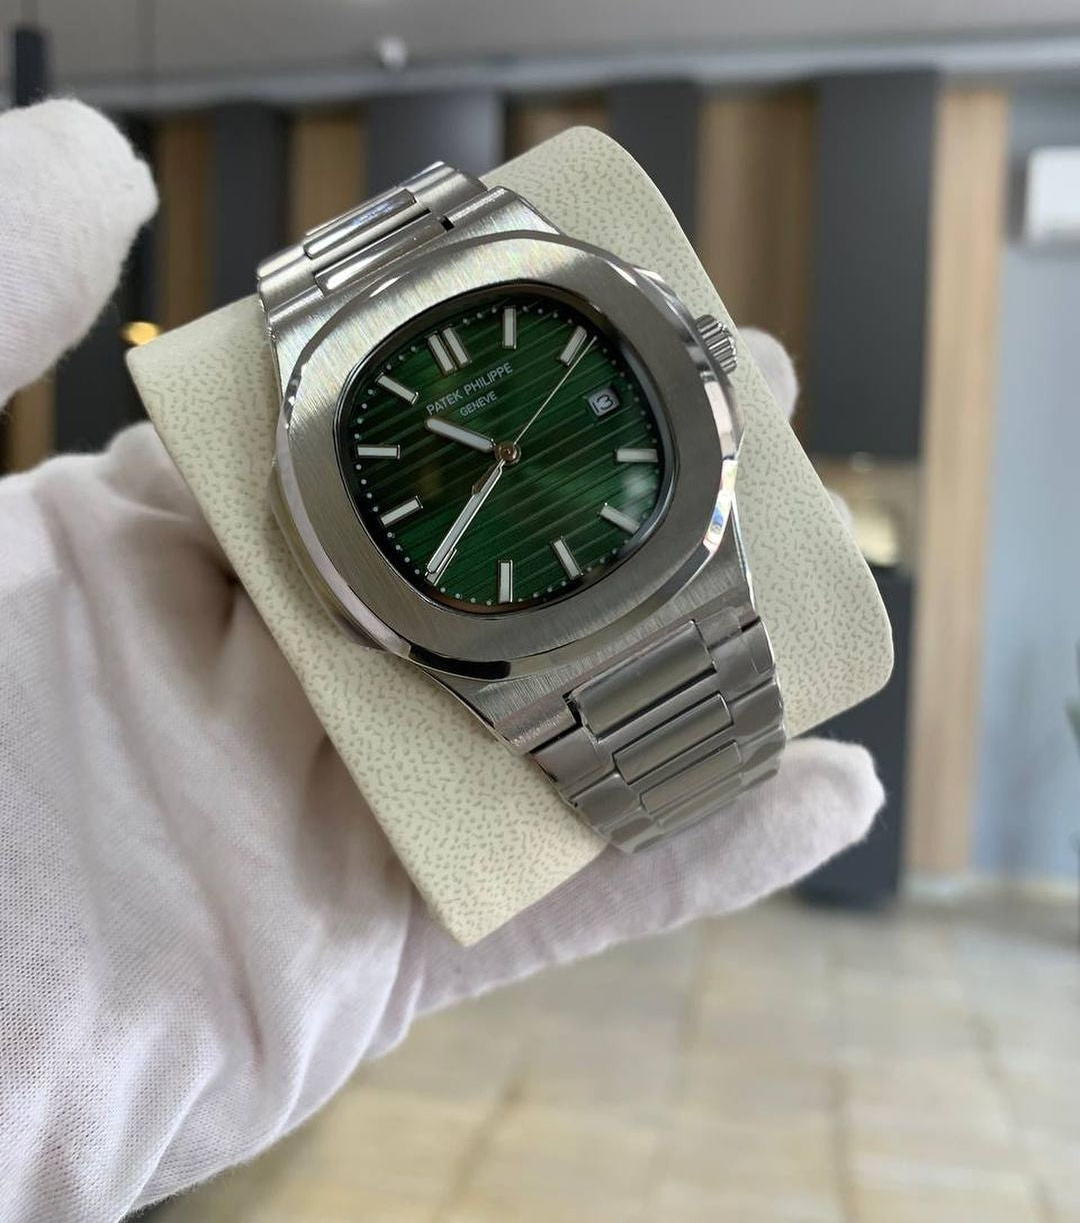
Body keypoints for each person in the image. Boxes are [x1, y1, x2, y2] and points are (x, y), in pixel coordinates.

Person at [0, 99, 882, 1222]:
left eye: (510, 443)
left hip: (671, 563)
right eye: (484, 450)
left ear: (692, 356)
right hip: (498, 646)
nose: (505, 453)